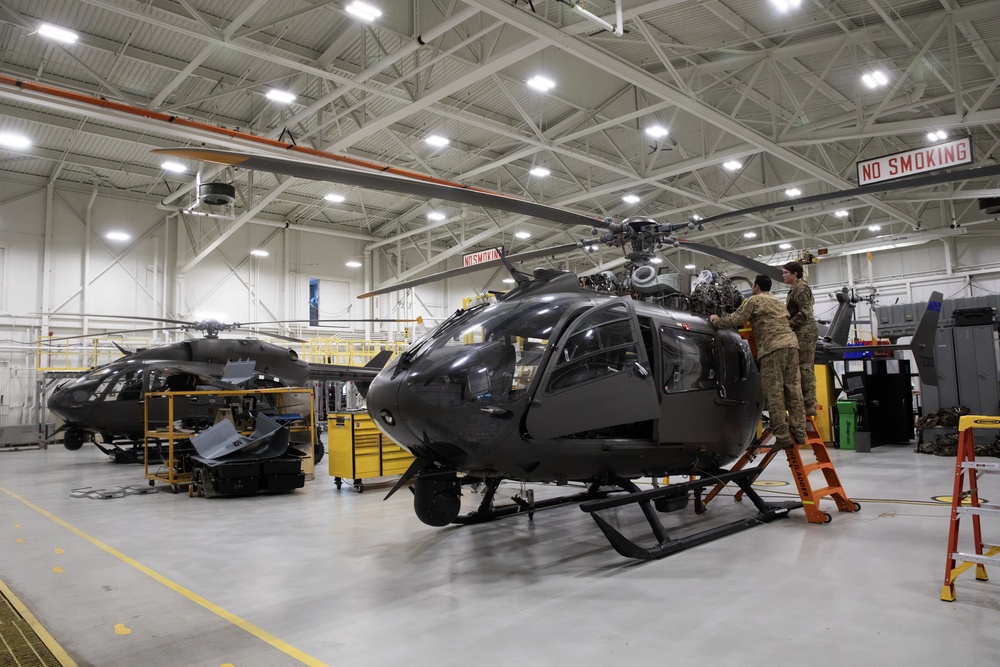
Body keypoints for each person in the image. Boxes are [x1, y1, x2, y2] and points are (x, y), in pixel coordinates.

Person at [710, 274, 807, 449]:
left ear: (755, 287)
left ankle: (783, 436)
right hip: (792, 345)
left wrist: (716, 321)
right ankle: (800, 433)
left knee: (774, 391)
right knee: (793, 389)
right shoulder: (777, 302)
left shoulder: (754, 301)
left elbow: (735, 319)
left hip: (772, 348)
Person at [782, 261, 819, 416]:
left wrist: (788, 324)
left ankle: (810, 402)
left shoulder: (800, 288)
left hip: (805, 332)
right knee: (801, 366)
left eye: (785, 273)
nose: (783, 275)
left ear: (795, 274)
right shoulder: (795, 288)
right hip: (800, 331)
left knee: (805, 367)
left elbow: (805, 312)